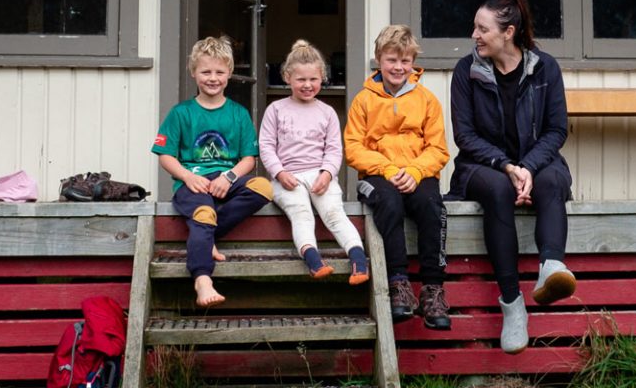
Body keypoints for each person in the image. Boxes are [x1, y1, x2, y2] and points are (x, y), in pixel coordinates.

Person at [447, 0, 575, 354]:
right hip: (481, 168)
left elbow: (556, 130)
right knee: (499, 190)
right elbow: (465, 136)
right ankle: (512, 305)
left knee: (553, 179)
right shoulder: (466, 72)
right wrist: (507, 167)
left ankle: (551, 266)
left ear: (509, 32)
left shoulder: (545, 68)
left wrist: (529, 168)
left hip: (536, 163)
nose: (474, 35)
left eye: (482, 28)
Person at [151, 36, 273, 308]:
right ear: (193, 72)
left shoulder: (238, 114)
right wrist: (187, 176)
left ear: (229, 73)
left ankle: (205, 237)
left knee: (263, 187)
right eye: (206, 71)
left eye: (219, 72)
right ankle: (202, 278)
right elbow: (165, 155)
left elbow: (249, 159)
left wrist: (229, 177)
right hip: (191, 185)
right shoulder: (181, 113)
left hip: (225, 182)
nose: (213, 78)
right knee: (204, 213)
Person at [345, 24, 451, 330]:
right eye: (392, 60)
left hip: (417, 172)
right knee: (389, 203)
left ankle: (433, 289)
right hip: (378, 174)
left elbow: (438, 149)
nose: (399, 67)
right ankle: (398, 283)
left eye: (405, 61)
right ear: (379, 58)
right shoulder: (364, 100)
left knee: (432, 204)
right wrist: (389, 169)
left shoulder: (427, 100)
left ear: (413, 62)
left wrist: (416, 171)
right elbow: (353, 147)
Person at [259, 40, 369, 285]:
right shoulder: (276, 110)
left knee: (334, 213)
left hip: (319, 175)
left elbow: (333, 149)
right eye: (301, 80)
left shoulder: (327, 112)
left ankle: (358, 259)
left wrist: (328, 174)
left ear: (322, 77)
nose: (307, 85)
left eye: (313, 79)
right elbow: (266, 146)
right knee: (302, 213)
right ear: (287, 77)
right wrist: (279, 173)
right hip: (288, 177)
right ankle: (313, 259)